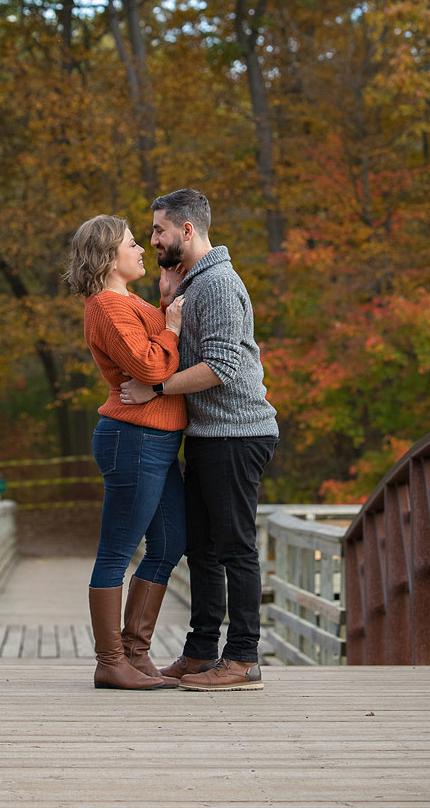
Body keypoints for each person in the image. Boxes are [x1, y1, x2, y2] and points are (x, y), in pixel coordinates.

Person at [120, 188, 279, 691]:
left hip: (238, 432)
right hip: (210, 434)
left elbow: (224, 368)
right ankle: (201, 651)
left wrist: (157, 389)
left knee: (234, 546)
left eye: (159, 230)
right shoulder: (194, 283)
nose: (153, 241)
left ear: (187, 230)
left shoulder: (218, 284)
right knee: (202, 549)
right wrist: (166, 299)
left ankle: (243, 658)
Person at [66, 214, 188, 690]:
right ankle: (109, 660)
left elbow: (152, 347)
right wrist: (173, 326)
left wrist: (165, 301)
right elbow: (151, 363)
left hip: (158, 438)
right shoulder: (106, 307)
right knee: (117, 550)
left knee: (170, 543)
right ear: (108, 255)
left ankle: (136, 653)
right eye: (133, 243)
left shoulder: (128, 302)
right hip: (132, 439)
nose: (143, 249)